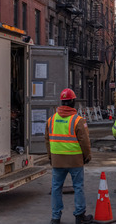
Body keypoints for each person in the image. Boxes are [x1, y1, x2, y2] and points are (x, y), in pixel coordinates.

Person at [45, 88, 93, 224]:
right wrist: (87, 156)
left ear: (62, 102)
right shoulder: (78, 120)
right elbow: (85, 141)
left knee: (56, 188)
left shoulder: (51, 120)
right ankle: (79, 216)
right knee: (78, 187)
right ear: (73, 102)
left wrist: (50, 157)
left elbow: (47, 140)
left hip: (57, 160)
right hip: (75, 160)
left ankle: (55, 217)